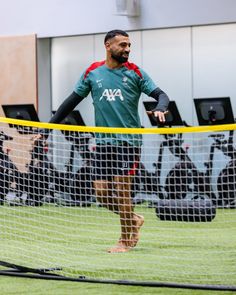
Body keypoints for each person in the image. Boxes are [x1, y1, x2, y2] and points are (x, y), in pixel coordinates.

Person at [43, 29, 169, 253]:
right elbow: (70, 103)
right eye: (122, 45)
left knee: (122, 191)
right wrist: (47, 129)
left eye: (129, 45)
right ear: (108, 45)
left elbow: (161, 95)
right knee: (101, 194)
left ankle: (124, 239)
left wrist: (160, 108)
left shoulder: (135, 73)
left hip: (128, 143)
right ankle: (134, 218)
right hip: (103, 143)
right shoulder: (93, 72)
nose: (127, 49)